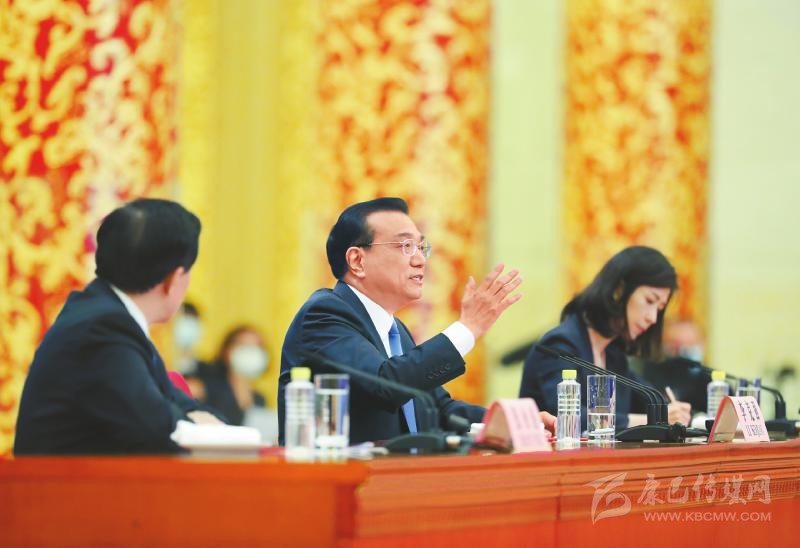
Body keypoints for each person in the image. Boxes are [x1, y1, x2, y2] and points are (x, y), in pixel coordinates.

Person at [279, 197, 555, 445]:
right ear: (357, 260)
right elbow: (384, 384)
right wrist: (468, 328)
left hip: (401, 478)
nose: (420, 260)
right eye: (406, 246)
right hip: (344, 480)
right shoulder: (324, 315)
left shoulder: (396, 330)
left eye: (421, 247)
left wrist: (516, 424)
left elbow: (439, 410)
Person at [14, 198, 221, 455]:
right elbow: (157, 429)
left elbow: (177, 404)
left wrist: (197, 422)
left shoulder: (105, 314)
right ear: (174, 279)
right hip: (61, 481)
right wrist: (198, 425)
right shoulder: (102, 329)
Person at [519, 246, 692, 430]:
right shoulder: (560, 346)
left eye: (659, 308)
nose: (653, 318)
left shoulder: (613, 355)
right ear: (619, 290)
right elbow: (569, 418)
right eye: (649, 301)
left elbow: (650, 399)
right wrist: (651, 419)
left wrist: (673, 411)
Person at [191, 325, 268, 427]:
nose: (249, 352)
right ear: (227, 350)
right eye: (243, 346)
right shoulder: (204, 385)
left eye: (256, 347)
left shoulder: (259, 399)